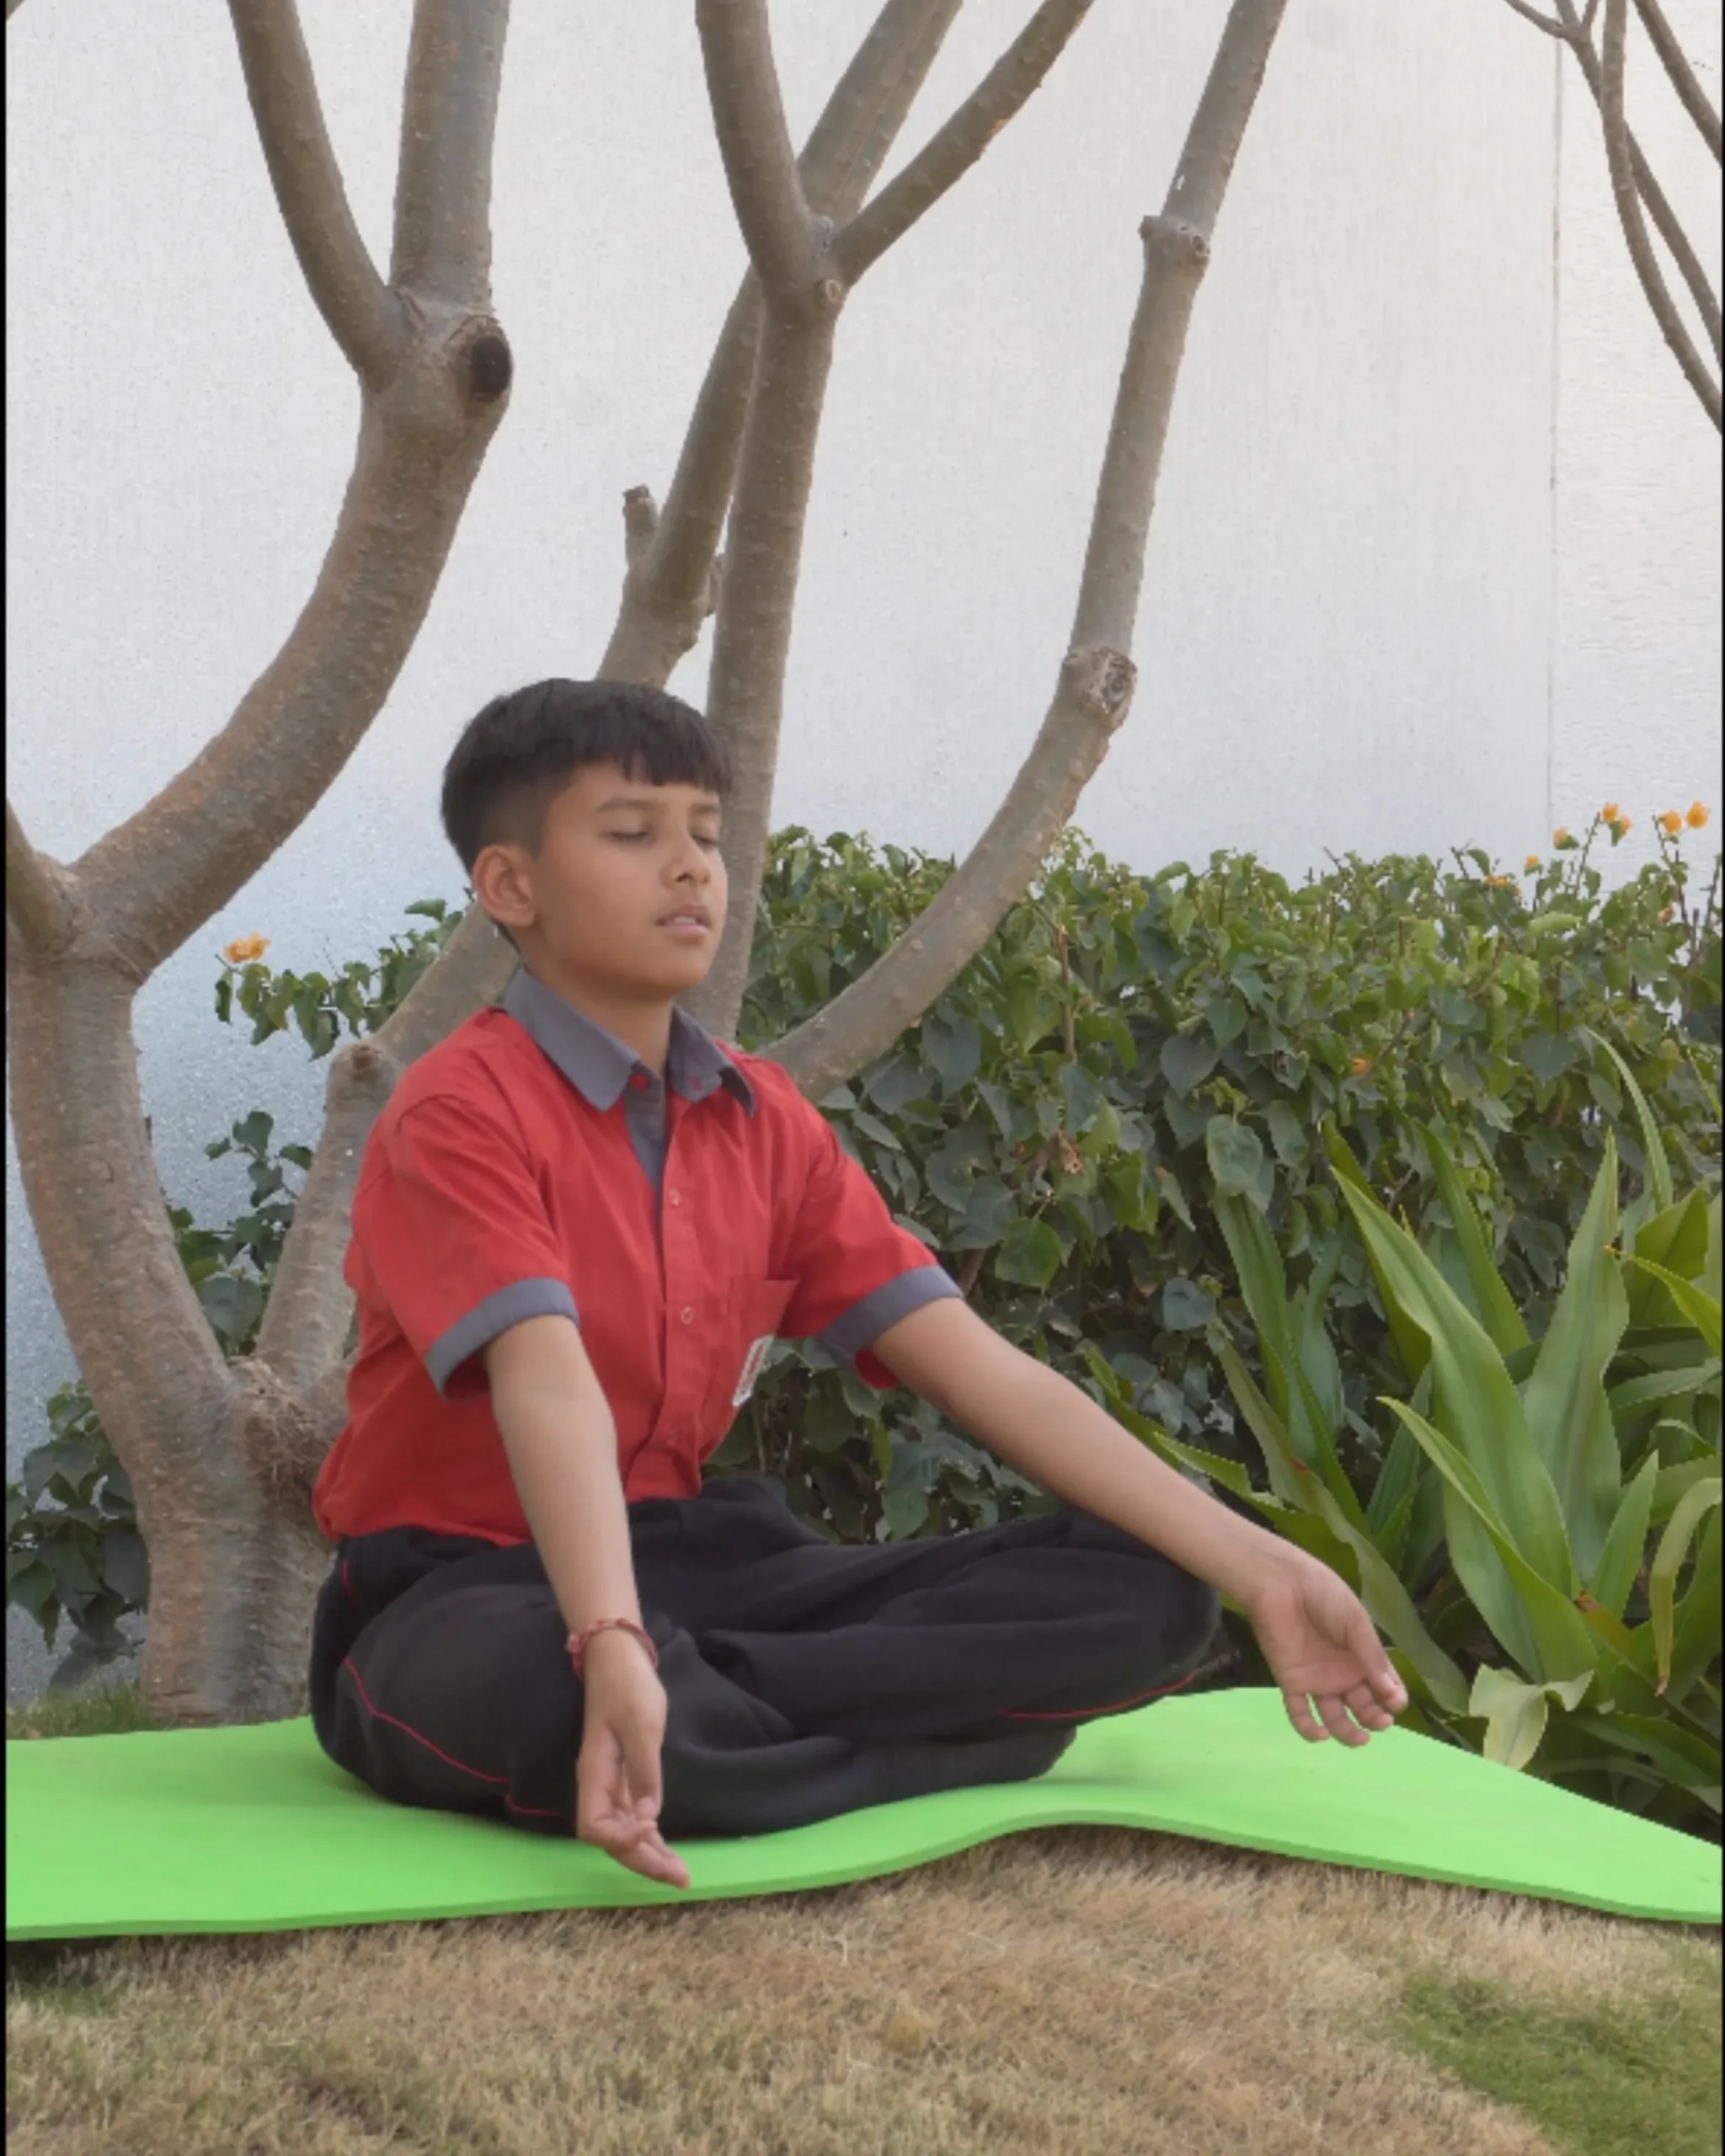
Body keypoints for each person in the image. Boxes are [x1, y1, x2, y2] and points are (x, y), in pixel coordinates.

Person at [307, 678, 1407, 1892]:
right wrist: (611, 1638)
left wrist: (1261, 1569)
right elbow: (547, 1382)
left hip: (703, 1568)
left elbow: (982, 1371)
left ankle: (709, 1717)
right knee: (562, 1698)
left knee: (1152, 1592)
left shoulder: (760, 1119)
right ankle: (805, 1725)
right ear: (509, 886)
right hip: (461, 1592)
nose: (689, 870)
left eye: (706, 836)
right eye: (632, 833)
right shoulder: (459, 1112)